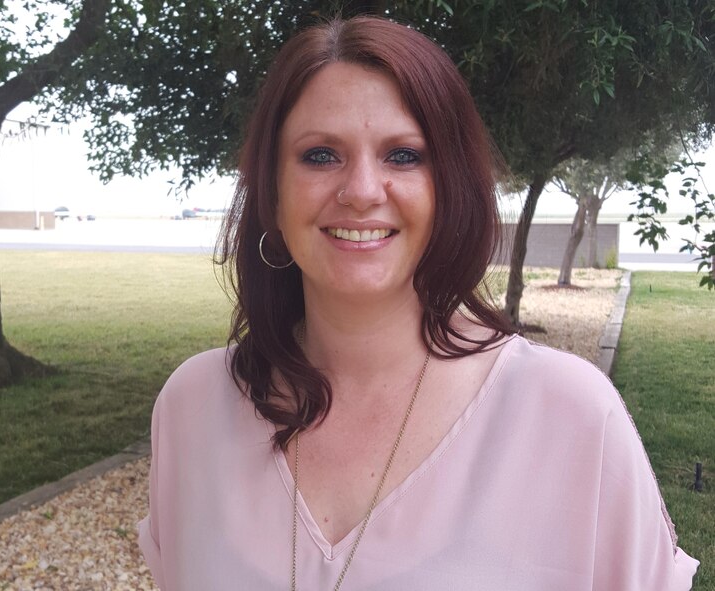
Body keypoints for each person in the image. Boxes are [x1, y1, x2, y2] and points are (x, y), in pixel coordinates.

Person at [138, 16, 699, 590]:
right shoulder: (193, 407)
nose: (360, 191)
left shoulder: (572, 417)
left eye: (403, 156)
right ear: (272, 192)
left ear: (448, 187)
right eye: (320, 155)